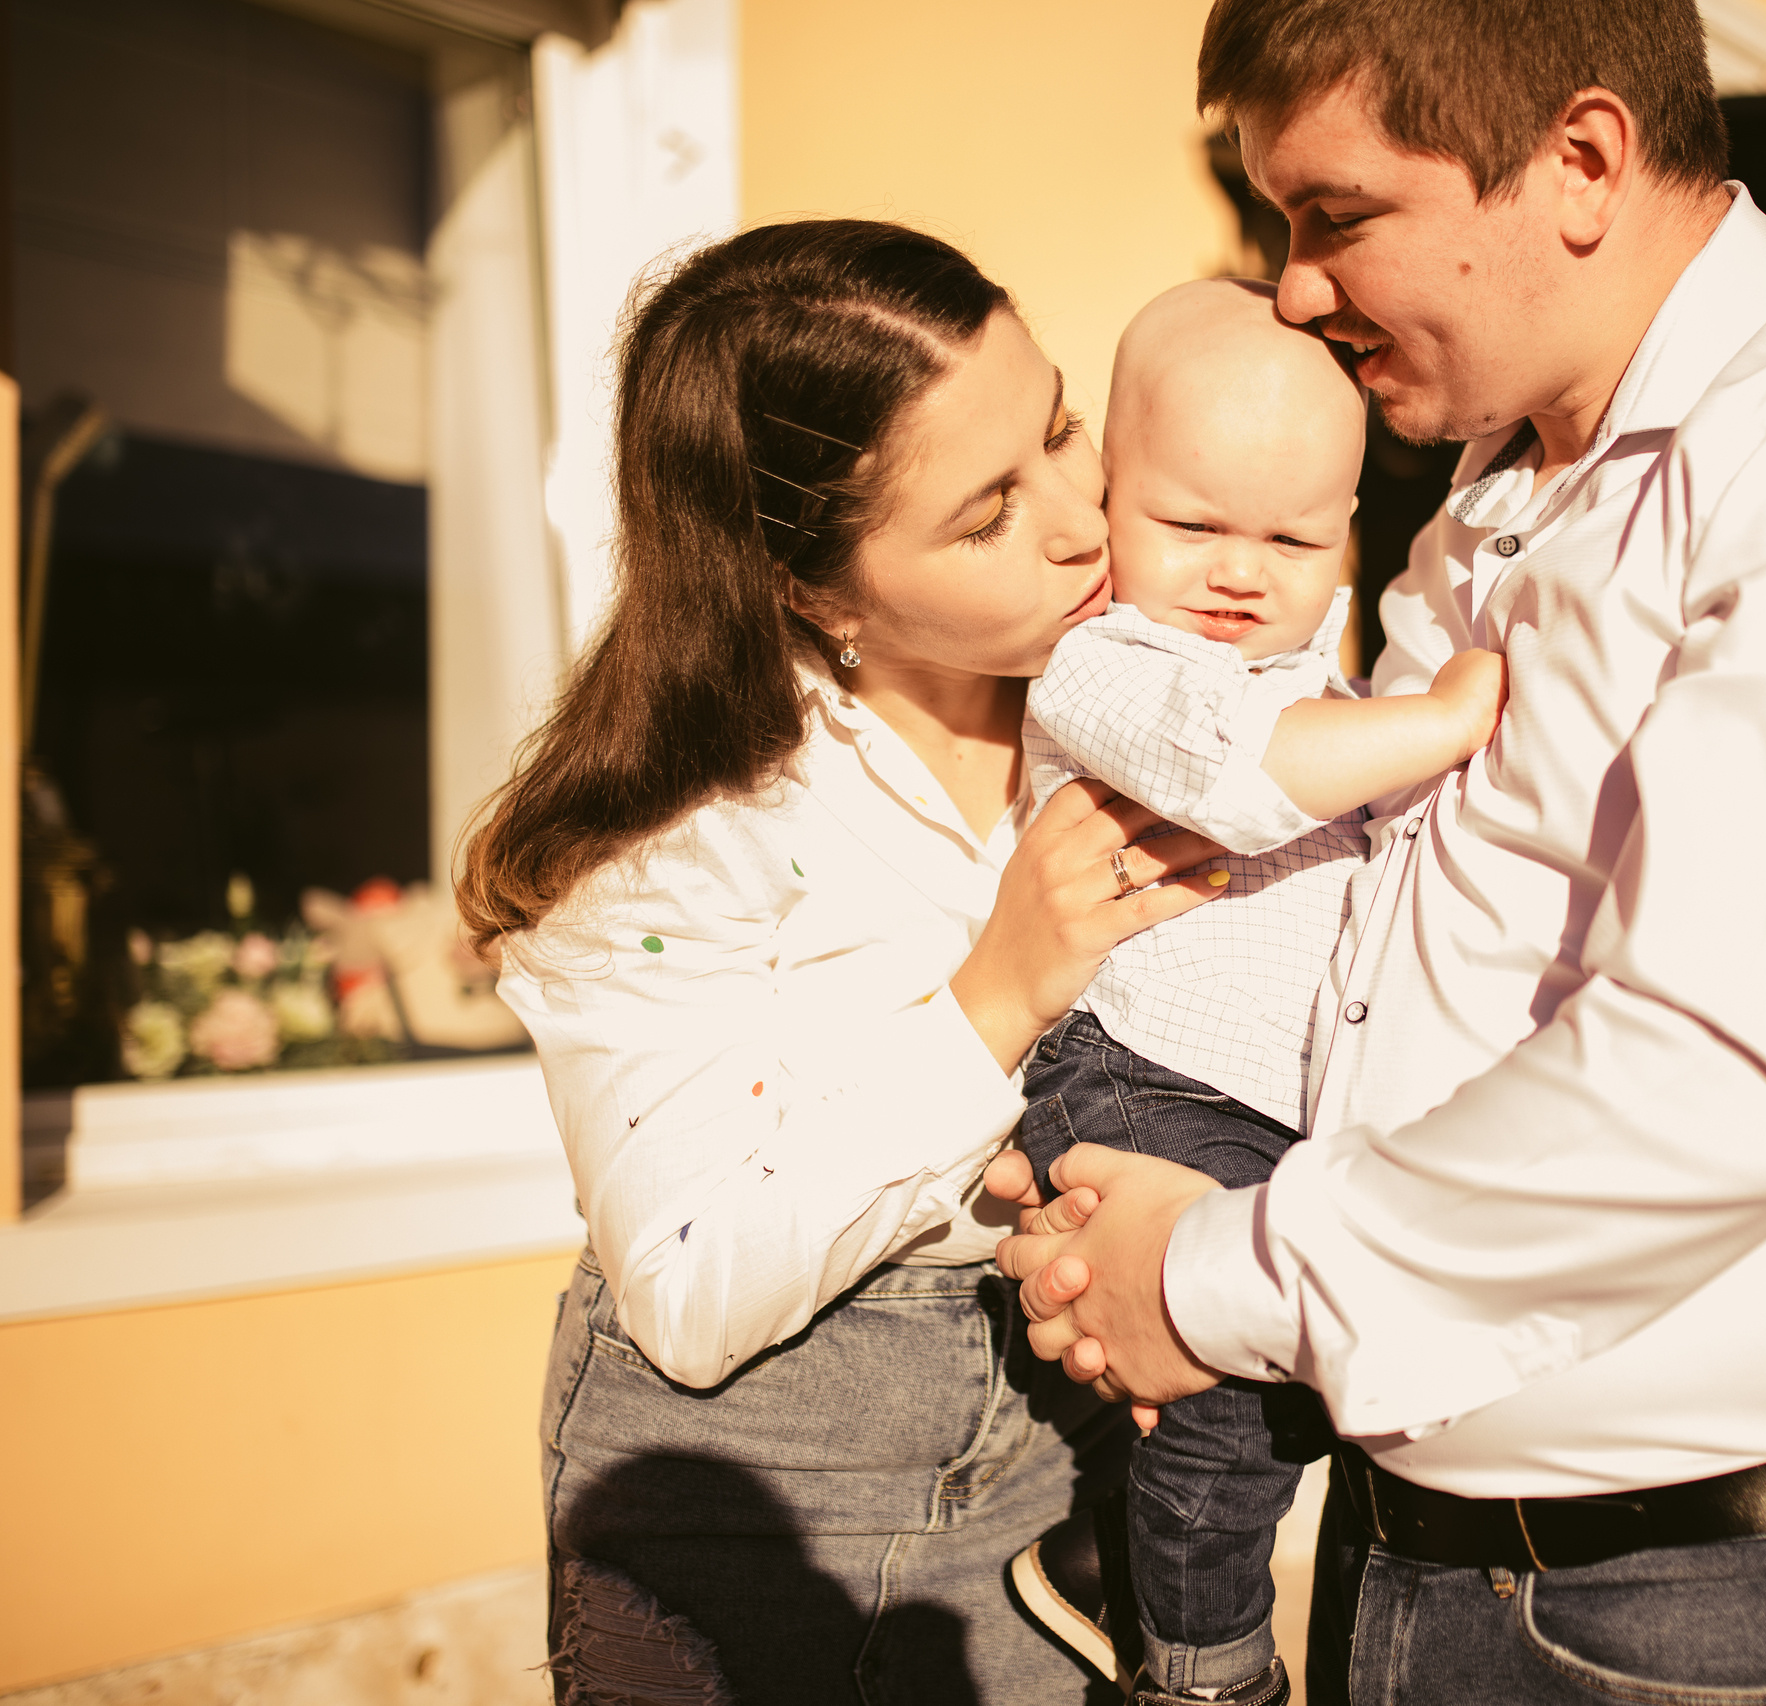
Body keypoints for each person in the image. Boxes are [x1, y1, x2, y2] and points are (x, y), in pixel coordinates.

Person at [991, 2, 1766, 1703]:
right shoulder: (1490, 493)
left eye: (1336, 214)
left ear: (1582, 162)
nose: (1296, 287)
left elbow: (1720, 1068)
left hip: (1731, 1619)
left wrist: (1209, 1273)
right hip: (1422, 1573)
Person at [458, 219, 1234, 1704]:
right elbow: (686, 1295)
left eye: (1062, 427)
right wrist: (997, 995)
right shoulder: (686, 834)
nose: (1083, 518)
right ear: (814, 588)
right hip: (760, 1484)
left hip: (1057, 1454)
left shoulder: (1148, 704)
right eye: (988, 510)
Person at [1002, 277, 1505, 1706]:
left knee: (1280, 1400)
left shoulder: (1334, 702)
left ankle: (1111, 1567)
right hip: (1141, 1077)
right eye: (1192, 524)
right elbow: (1239, 767)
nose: (1239, 571)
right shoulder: (1107, 666)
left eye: (1290, 536)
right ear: (1111, 502)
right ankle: (1204, 1670)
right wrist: (1451, 719)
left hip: (1268, 1109)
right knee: (1227, 1402)